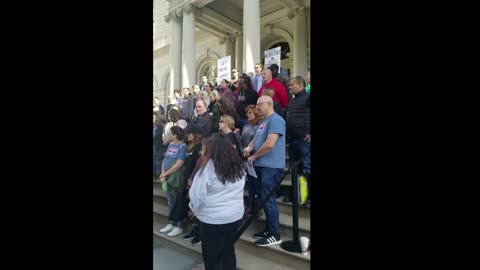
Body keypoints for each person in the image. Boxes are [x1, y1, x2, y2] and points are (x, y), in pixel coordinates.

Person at [189, 134, 246, 270]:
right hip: (235, 217)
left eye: (204, 149)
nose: (202, 152)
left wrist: (194, 210)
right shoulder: (238, 166)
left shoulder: (208, 168)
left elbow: (196, 195)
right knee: (228, 252)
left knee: (212, 257)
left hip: (213, 220)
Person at [243, 96, 285, 247]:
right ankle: (269, 229)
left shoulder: (276, 120)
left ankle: (275, 233)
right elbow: (256, 139)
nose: (258, 107)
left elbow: (270, 143)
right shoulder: (263, 121)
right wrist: (249, 147)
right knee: (263, 198)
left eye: (260, 104)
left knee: (269, 199)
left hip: (271, 166)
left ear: (269, 104)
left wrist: (254, 155)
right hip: (260, 165)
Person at [159, 126, 187, 237]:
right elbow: (165, 159)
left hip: (175, 177)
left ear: (175, 135)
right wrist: (162, 173)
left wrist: (165, 174)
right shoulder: (170, 145)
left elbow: (179, 163)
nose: (168, 135)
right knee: (170, 201)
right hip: (167, 177)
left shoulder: (182, 146)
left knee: (177, 202)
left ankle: (179, 226)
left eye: (170, 133)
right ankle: (171, 222)